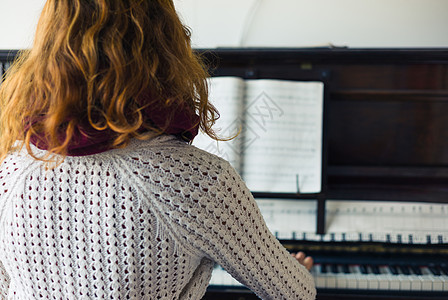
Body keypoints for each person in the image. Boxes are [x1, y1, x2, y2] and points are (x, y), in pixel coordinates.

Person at [0, 0, 316, 299]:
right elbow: (294, 293)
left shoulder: (9, 171)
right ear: (166, 45)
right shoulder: (202, 182)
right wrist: (296, 273)